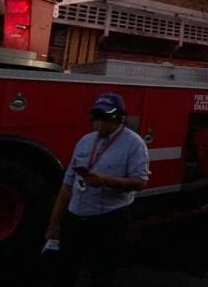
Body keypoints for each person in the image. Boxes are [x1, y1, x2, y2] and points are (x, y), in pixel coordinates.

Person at [45, 93, 150, 287]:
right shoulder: (85, 141)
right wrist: (54, 223)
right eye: (96, 117)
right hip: (75, 217)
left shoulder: (134, 144)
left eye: (105, 117)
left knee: (102, 273)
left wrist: (105, 180)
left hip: (108, 219)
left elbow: (140, 182)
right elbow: (67, 184)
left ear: (120, 118)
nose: (99, 123)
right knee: (65, 271)